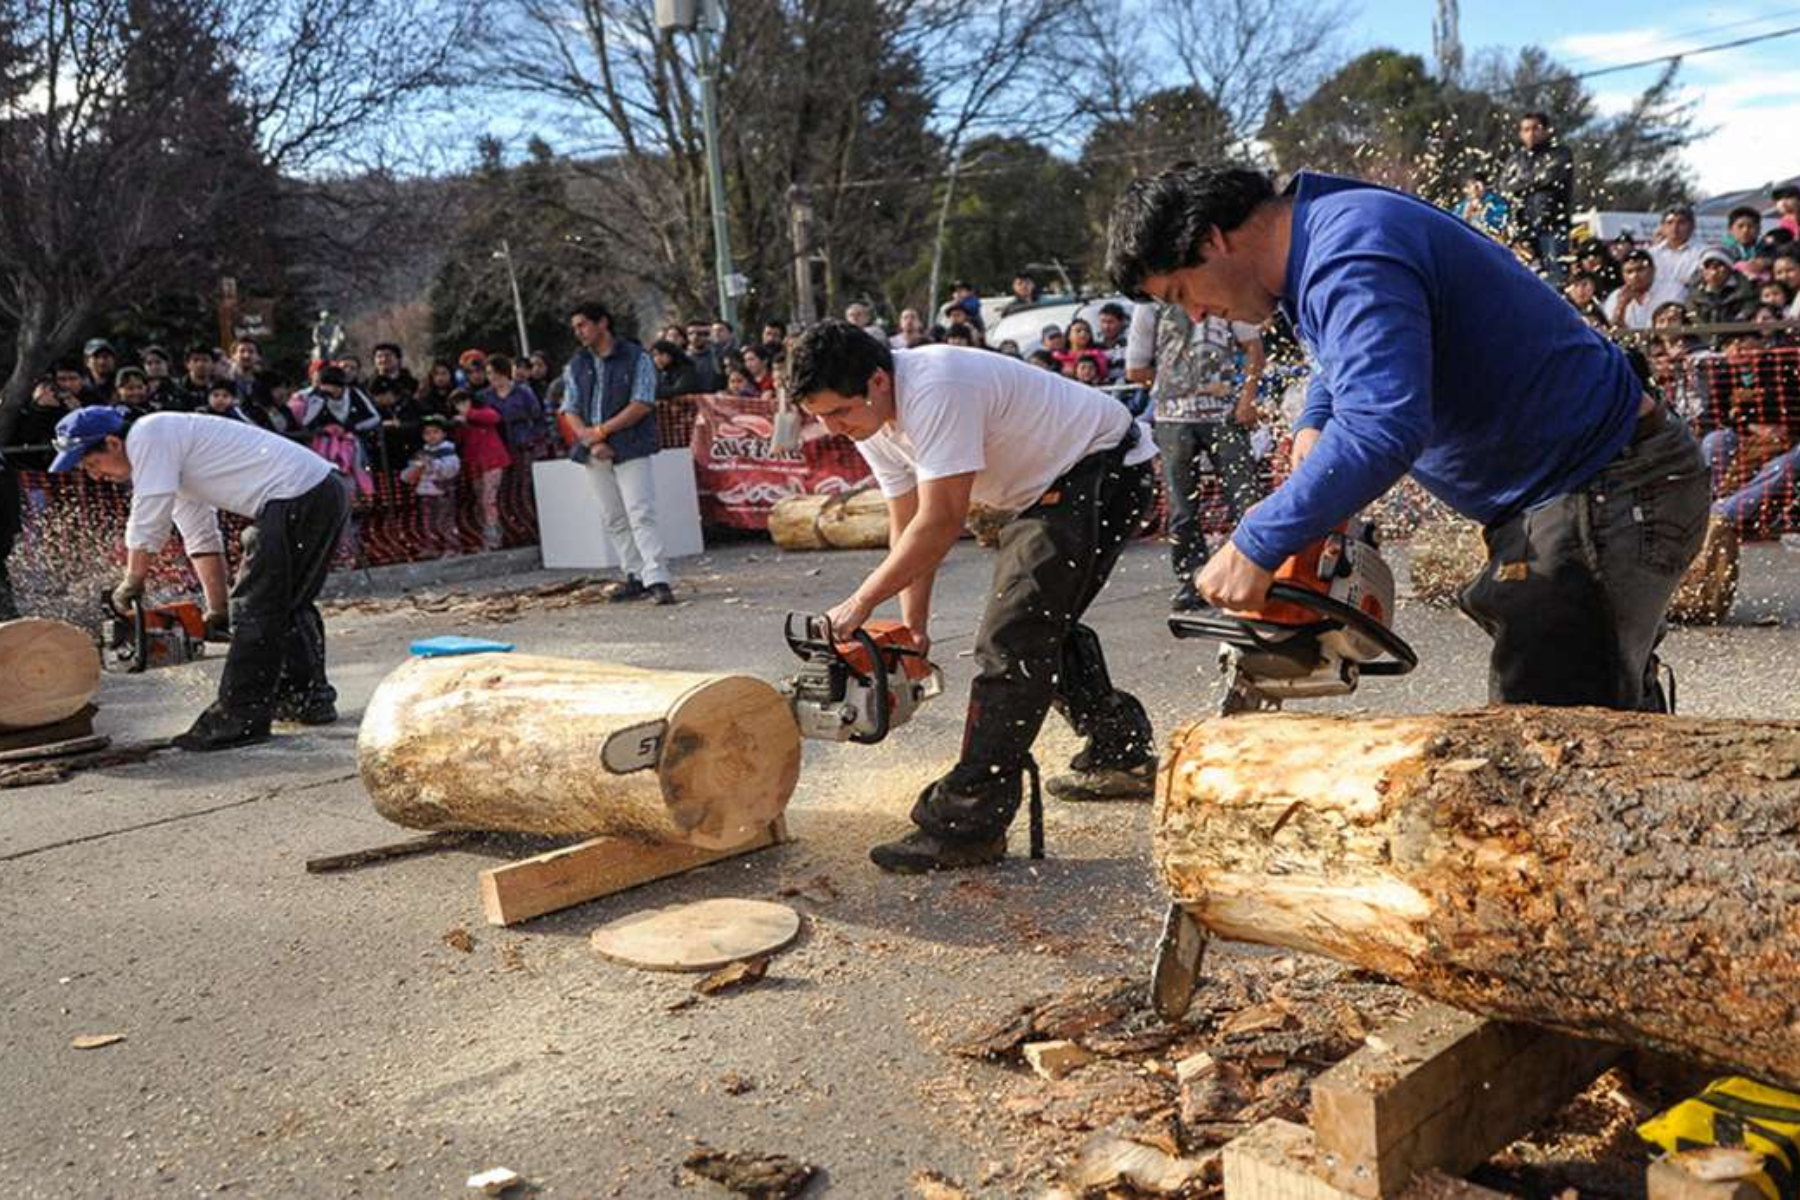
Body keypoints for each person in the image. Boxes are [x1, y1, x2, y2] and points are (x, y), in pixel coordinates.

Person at [1108, 163, 1709, 712]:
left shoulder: (1346, 249)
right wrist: (1316, 417)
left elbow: (1383, 424)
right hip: (1578, 487)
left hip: (1603, 484)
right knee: (1585, 712)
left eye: (1181, 294)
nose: (1197, 315)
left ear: (1212, 240)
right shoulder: (1323, 237)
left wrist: (1256, 542)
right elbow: (1348, 354)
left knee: (1549, 739)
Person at [788, 320, 1160, 873]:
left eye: (840, 413)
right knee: (1034, 624)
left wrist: (859, 603)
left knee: (1013, 638)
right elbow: (907, 523)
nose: (835, 428)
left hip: (1103, 468)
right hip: (1048, 487)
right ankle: (1119, 751)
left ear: (877, 381)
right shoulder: (873, 421)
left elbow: (941, 522)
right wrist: (914, 629)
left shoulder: (937, 387)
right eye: (821, 418)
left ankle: (967, 824)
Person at [50, 407, 349, 748]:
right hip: (316, 490)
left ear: (113, 443)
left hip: (298, 495)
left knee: (257, 610)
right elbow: (201, 536)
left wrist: (132, 580)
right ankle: (306, 699)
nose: (95, 476)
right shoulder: (168, 457)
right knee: (285, 604)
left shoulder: (150, 434)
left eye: (92, 465)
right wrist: (218, 609)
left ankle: (239, 718)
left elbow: (148, 516)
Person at [1124, 296, 1265, 610]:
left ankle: (1258, 569)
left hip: (1224, 415)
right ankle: (1192, 580)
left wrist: (1247, 398)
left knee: (1246, 497)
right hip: (1173, 418)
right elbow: (1135, 369)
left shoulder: (1213, 286)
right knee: (1181, 505)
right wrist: (1178, 382)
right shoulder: (1149, 305)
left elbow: (1254, 347)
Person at [562, 301, 675, 604]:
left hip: (632, 444)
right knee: (613, 516)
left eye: (583, 325)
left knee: (641, 512)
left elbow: (642, 403)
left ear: (603, 323)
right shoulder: (577, 363)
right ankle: (634, 575)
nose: (579, 333)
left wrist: (601, 431)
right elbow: (569, 408)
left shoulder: (636, 357)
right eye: (575, 327)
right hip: (594, 451)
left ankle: (658, 577)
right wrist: (591, 439)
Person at [1500, 111, 1574, 282]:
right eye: (1526, 129)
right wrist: (1534, 182)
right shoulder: (1516, 158)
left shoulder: (1560, 153)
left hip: (1552, 224)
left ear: (1547, 130)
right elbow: (1504, 186)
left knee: (1556, 277)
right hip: (1523, 226)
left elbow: (1551, 177)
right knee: (1524, 277)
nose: (1531, 133)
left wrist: (1520, 183)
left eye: (1535, 128)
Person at [450, 388, 509, 550]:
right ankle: (484, 535)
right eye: (458, 404)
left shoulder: (482, 412)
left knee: (488, 500)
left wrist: (469, 414)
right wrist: (458, 425)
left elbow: (494, 417)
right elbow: (458, 441)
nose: (462, 406)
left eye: (464, 401)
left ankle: (494, 538)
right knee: (480, 500)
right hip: (475, 465)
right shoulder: (460, 422)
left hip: (492, 462)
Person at [401, 415, 462, 558]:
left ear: (443, 434)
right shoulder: (421, 453)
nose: (432, 436)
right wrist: (415, 469)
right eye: (427, 433)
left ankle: (452, 547)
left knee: (444, 522)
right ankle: (432, 547)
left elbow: (451, 470)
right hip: (425, 492)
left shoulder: (448, 452)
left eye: (435, 432)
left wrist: (433, 464)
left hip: (442, 492)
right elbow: (407, 476)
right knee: (428, 523)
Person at [1607, 249, 1685, 331]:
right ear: (1623, 275)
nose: (1635, 276)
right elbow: (1612, 331)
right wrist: (1621, 307)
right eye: (1629, 272)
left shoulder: (1673, 290)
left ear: (1653, 270)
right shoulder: (1615, 297)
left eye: (1640, 269)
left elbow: (1673, 326)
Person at [1649, 206, 1706, 301]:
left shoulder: (1703, 253)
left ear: (1692, 226)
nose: (1674, 228)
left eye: (1681, 223)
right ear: (1662, 227)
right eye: (1670, 223)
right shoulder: (1651, 254)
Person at [1691, 247, 1757, 328]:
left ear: (1729, 269)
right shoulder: (1694, 294)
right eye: (1708, 266)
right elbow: (1694, 319)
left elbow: (1746, 314)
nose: (1713, 272)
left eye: (1719, 266)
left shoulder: (1745, 293)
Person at [178, 346, 219, 411]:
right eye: (195, 360)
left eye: (205, 360)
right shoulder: (177, 388)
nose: (200, 364)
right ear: (187, 364)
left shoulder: (221, 388)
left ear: (213, 364)